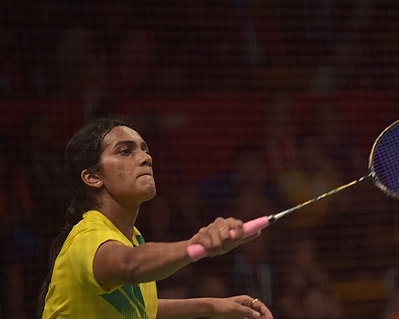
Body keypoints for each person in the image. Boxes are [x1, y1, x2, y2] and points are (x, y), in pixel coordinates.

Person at [39, 116, 274, 319]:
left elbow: (140, 308)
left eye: (145, 149)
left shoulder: (132, 237)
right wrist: (198, 245)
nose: (146, 158)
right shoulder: (87, 237)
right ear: (93, 177)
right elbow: (129, 265)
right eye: (125, 151)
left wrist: (214, 305)